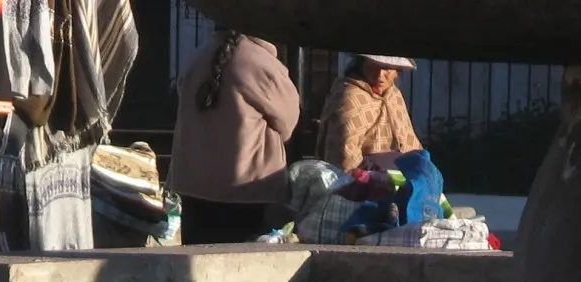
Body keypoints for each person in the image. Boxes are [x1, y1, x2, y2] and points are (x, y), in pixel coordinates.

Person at [169, 29, 301, 244]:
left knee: (197, 259)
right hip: (247, 190)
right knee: (243, 261)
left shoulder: (197, 57)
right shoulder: (263, 65)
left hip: (193, 186)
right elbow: (289, 122)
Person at [315, 55, 422, 174]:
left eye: (387, 68)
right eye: (374, 66)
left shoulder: (394, 95)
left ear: (397, 72)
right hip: (367, 176)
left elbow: (409, 143)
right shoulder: (350, 96)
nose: (380, 75)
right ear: (362, 65)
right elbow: (345, 156)